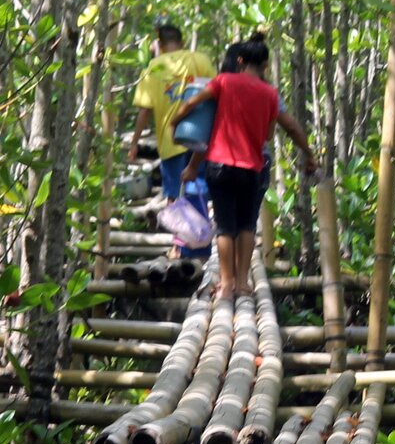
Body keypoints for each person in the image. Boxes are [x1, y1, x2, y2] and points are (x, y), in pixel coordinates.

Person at [171, 33, 316, 297]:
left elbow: (194, 103)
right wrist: (308, 154)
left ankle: (225, 285)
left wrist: (175, 121)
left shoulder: (224, 81)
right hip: (252, 168)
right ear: (265, 64)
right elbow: (282, 130)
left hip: (219, 166)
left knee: (225, 226)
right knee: (247, 225)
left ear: (239, 60)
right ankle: (242, 283)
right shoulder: (270, 93)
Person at [130, 20, 214, 258]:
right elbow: (217, 92)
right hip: (200, 138)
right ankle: (199, 243)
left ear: (159, 44)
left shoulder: (154, 68)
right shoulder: (200, 60)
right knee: (198, 188)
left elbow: (144, 110)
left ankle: (180, 245)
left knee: (173, 196)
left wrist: (135, 143)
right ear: (182, 42)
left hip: (171, 141)